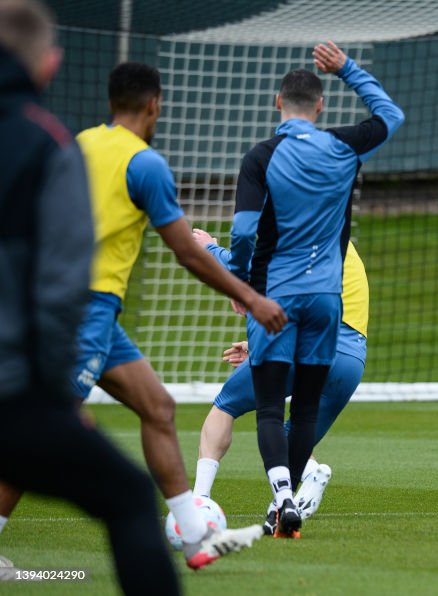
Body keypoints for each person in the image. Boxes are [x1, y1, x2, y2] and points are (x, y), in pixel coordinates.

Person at [0, 57, 290, 569]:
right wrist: (251, 297)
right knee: (39, 429)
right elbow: (185, 249)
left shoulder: (76, 142)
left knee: (158, 406)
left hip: (85, 311)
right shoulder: (145, 163)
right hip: (82, 310)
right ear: (155, 105)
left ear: (110, 103)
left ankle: (195, 537)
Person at [0, 0, 178, 591]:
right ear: (49, 65)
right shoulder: (49, 142)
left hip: (98, 316)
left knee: (157, 405)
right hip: (66, 324)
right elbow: (59, 276)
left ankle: (192, 522)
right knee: (120, 491)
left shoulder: (72, 140)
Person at [225, 41, 402, 538]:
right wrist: (347, 68)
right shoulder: (344, 146)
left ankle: (283, 494)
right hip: (327, 298)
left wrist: (240, 279)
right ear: (320, 105)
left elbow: (242, 231)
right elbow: (391, 114)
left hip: (276, 296)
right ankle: (287, 502)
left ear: (277, 103)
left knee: (266, 406)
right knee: (304, 407)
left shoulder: (262, 156)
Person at [191, 231, 369, 535]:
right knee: (295, 436)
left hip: (302, 346)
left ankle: (199, 500)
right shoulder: (340, 241)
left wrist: (209, 248)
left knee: (225, 406)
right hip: (351, 360)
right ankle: (309, 476)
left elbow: (248, 264)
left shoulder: (293, 229)